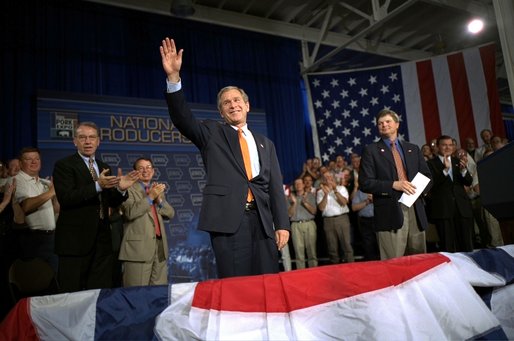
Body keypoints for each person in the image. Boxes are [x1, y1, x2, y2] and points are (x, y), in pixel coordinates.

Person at [160, 37, 290, 279]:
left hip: (263, 223)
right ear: (221, 111)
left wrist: (282, 224)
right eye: (226, 103)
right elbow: (182, 119)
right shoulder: (212, 133)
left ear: (247, 105)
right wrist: (173, 79)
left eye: (237, 100)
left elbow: (274, 188)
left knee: (268, 282)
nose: (233, 105)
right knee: (236, 286)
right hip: (230, 222)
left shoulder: (266, 143)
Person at [53, 121, 140, 292]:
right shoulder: (64, 165)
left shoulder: (104, 166)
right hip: (75, 241)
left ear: (98, 141)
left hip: (102, 239)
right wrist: (98, 185)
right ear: (75, 141)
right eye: (82, 137)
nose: (87, 141)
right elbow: (66, 198)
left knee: (98, 291)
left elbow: (110, 201)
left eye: (92, 137)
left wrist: (121, 190)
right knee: (74, 293)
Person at [359, 109, 432, 260]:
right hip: (390, 211)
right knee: (393, 262)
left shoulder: (413, 148)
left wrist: (418, 191)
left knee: (420, 261)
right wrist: (393, 185)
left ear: (397, 124)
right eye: (380, 123)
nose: (384, 125)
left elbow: (427, 176)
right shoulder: (371, 150)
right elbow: (366, 183)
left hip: (415, 209)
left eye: (387, 122)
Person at [119, 157, 175, 286]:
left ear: (153, 171)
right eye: (141, 168)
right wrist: (150, 197)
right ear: (135, 172)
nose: (146, 171)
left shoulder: (156, 190)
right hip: (137, 251)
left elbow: (170, 213)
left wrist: (158, 200)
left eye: (149, 167)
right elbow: (130, 213)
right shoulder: (128, 189)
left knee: (158, 294)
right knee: (135, 294)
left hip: (159, 249)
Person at [13, 147, 59, 271]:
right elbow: (26, 206)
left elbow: (56, 210)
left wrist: (55, 197)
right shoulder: (17, 180)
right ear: (21, 163)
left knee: (54, 280)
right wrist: (51, 193)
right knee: (36, 280)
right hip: (32, 239)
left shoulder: (44, 182)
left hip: (51, 238)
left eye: (37, 159)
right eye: (29, 159)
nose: (34, 162)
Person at [427, 135, 474, 252]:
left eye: (450, 145)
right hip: (443, 209)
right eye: (444, 145)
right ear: (438, 147)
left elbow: (468, 181)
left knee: (466, 244)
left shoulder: (458, 162)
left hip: (462, 208)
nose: (447, 147)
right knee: (448, 246)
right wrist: (445, 171)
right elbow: (432, 185)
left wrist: (463, 170)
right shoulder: (430, 164)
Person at [317, 171, 354, 264]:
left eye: (329, 176)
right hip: (328, 221)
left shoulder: (341, 188)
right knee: (331, 247)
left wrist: (335, 190)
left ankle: (351, 268)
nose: (328, 179)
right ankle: (335, 270)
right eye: (325, 177)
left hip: (342, 219)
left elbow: (344, 203)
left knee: (346, 245)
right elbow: (321, 208)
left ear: (333, 178)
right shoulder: (320, 192)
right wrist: (325, 195)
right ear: (323, 180)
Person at [288, 178, 317, 269]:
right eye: (296, 183)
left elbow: (314, 211)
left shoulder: (310, 196)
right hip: (296, 225)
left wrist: (305, 203)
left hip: (309, 224)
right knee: (299, 252)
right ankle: (301, 275)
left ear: (304, 185)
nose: (298, 185)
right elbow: (289, 214)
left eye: (300, 183)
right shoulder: (290, 198)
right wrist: (294, 203)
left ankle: (314, 272)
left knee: (311, 251)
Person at [351, 189, 379, 261]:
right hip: (365, 221)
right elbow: (354, 208)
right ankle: (371, 265)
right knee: (368, 244)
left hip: (378, 220)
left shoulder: (378, 190)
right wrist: (367, 201)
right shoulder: (360, 192)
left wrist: (375, 200)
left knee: (380, 243)